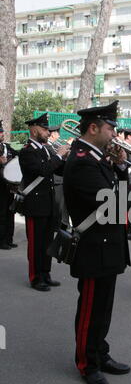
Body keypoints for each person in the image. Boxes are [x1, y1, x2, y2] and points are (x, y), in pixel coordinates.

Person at [63, 101, 131, 384]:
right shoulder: (82, 159)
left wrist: (120, 165)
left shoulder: (95, 156)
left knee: (103, 308)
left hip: (107, 244)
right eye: (110, 128)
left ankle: (100, 352)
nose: (114, 134)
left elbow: (115, 190)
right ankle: (86, 363)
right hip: (94, 245)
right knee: (90, 309)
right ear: (93, 128)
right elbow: (109, 200)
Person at [19, 113, 70, 291]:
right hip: (35, 205)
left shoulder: (46, 149)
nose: (48, 132)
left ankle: (45, 274)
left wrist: (66, 159)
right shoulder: (27, 151)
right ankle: (35, 277)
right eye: (44, 129)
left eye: (48, 129)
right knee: (36, 244)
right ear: (34, 130)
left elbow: (58, 171)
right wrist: (58, 157)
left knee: (48, 242)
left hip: (49, 204)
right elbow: (42, 170)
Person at [0, 120, 18, 250]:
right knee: (1, 215)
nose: (2, 134)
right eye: (0, 132)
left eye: (2, 132)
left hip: (9, 187)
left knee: (10, 213)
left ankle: (9, 239)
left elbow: (18, 159)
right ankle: (1, 241)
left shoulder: (7, 147)